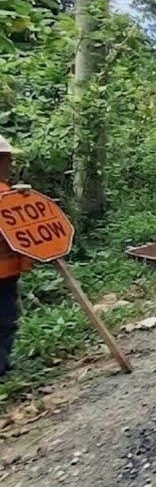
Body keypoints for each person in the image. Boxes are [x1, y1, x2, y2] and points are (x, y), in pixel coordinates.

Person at [0, 135, 33, 379]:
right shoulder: (5, 196)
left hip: (7, 271)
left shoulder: (9, 194)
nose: (10, 165)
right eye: (7, 160)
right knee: (5, 320)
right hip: (4, 273)